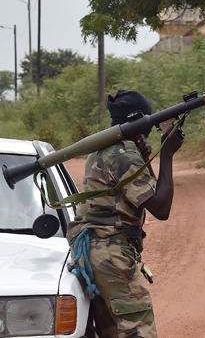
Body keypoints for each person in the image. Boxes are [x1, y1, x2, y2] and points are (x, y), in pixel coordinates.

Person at [66, 90, 184, 337]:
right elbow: (161, 207)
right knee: (138, 328)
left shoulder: (104, 149)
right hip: (110, 254)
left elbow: (141, 190)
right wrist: (167, 153)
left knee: (111, 330)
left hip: (95, 252)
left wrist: (144, 154)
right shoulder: (122, 154)